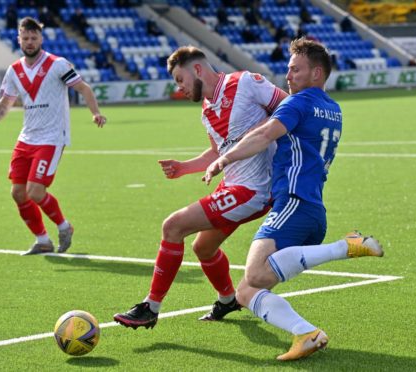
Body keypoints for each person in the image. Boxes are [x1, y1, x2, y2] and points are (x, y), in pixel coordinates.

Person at [204, 38, 384, 361]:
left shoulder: (298, 103)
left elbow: (263, 135)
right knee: (246, 291)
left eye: (295, 69)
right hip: (312, 209)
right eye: (288, 69)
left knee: (255, 275)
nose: (288, 76)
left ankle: (345, 246)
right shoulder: (333, 109)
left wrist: (224, 159)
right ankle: (305, 332)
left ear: (317, 72)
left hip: (292, 203)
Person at [113, 46, 288, 328]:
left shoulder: (244, 82)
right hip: (232, 186)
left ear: (197, 69)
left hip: (255, 189)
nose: (179, 87)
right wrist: (183, 167)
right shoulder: (207, 111)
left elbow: (288, 107)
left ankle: (150, 307)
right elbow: (215, 152)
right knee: (204, 248)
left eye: (180, 79)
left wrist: (259, 133)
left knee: (173, 226)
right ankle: (228, 299)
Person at [0, 17, 106, 255]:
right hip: (27, 138)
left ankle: (64, 227)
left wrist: (95, 112)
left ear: (41, 39)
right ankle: (42, 239)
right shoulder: (14, 70)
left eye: (34, 38)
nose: (30, 42)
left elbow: (83, 88)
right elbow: (5, 104)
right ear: (19, 39)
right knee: (17, 193)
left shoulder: (58, 64)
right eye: (26, 38)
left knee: (35, 191)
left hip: (52, 137)